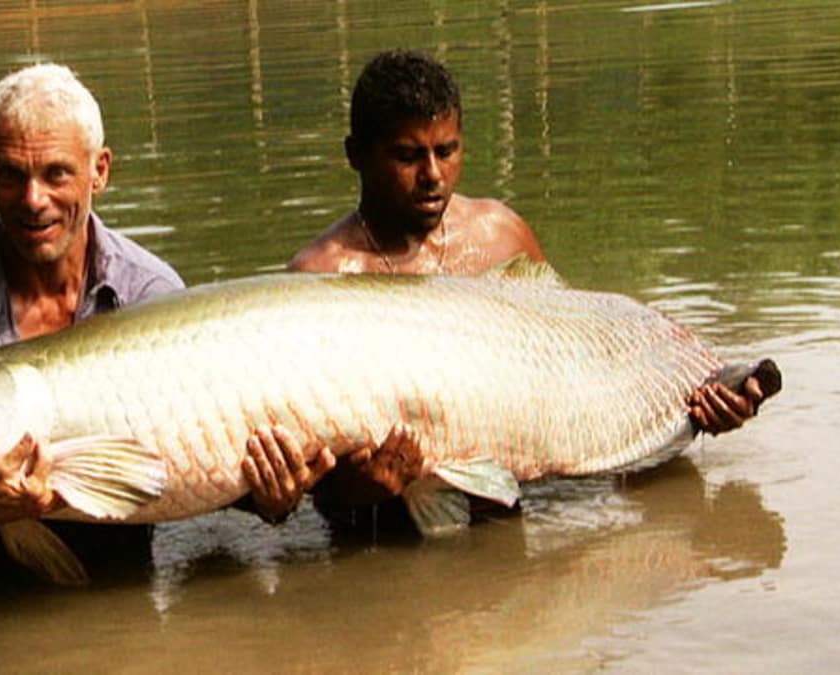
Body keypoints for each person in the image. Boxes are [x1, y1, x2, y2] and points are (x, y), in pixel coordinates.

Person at [0, 63, 330, 584]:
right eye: (12, 174)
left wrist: (270, 499)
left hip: (125, 579)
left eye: (56, 173)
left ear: (98, 171)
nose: (34, 200)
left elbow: (194, 462)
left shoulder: (150, 293)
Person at [249, 49, 769, 530]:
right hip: (387, 539)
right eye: (406, 156)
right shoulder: (321, 280)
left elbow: (586, 362)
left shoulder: (498, 234)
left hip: (510, 514)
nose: (432, 175)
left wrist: (699, 412)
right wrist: (361, 491)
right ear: (356, 155)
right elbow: (315, 495)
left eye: (446, 151)